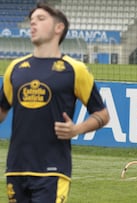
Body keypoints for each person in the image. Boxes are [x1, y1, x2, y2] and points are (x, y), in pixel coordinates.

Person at [0, 3, 110, 202]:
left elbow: (102, 114)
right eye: (31, 21)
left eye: (41, 19)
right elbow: (2, 111)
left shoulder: (75, 69)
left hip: (53, 170)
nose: (33, 24)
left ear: (59, 28)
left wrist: (77, 129)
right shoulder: (15, 68)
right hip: (16, 168)